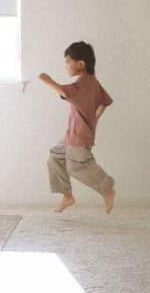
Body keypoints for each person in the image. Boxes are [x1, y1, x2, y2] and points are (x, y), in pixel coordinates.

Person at [39, 40, 115, 214]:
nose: (66, 67)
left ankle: (107, 189)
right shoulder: (93, 82)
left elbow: (64, 92)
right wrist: (94, 118)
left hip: (79, 136)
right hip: (73, 133)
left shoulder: (83, 84)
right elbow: (106, 101)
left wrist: (48, 81)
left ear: (81, 64)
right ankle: (67, 196)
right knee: (56, 156)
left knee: (77, 166)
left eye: (68, 63)